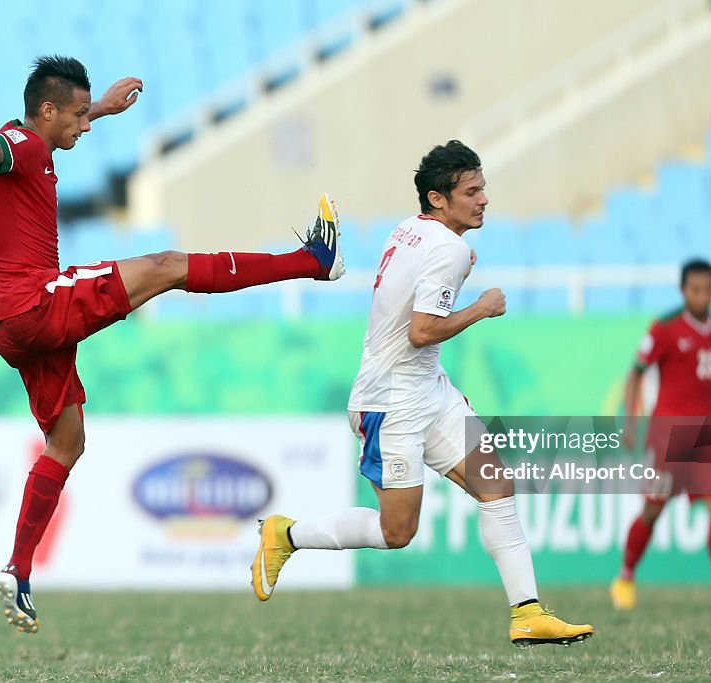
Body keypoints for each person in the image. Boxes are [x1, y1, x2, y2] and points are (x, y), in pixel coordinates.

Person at [0, 55, 344, 634]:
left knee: (67, 442)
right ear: (46, 111)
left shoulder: (32, 142)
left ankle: (18, 569)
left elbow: (16, 144)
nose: (85, 127)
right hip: (36, 305)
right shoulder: (20, 144)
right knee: (166, 265)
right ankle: (312, 262)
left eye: (90, 116)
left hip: (7, 327)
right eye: (79, 116)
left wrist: (105, 108)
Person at [250, 140, 594, 648]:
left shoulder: (410, 230)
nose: (483, 200)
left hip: (428, 390)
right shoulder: (447, 248)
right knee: (397, 532)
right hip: (391, 403)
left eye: (483, 189)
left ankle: (528, 611)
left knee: (496, 484)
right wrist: (482, 306)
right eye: (471, 191)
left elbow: (418, 289)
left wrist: (458, 270)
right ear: (438, 198)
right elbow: (422, 331)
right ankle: (285, 534)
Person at [611, 260, 711, 611]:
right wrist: (631, 422)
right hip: (670, 438)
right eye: (695, 290)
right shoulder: (665, 329)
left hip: (707, 436)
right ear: (683, 291)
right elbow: (635, 374)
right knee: (653, 508)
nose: (702, 296)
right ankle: (625, 577)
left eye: (708, 289)